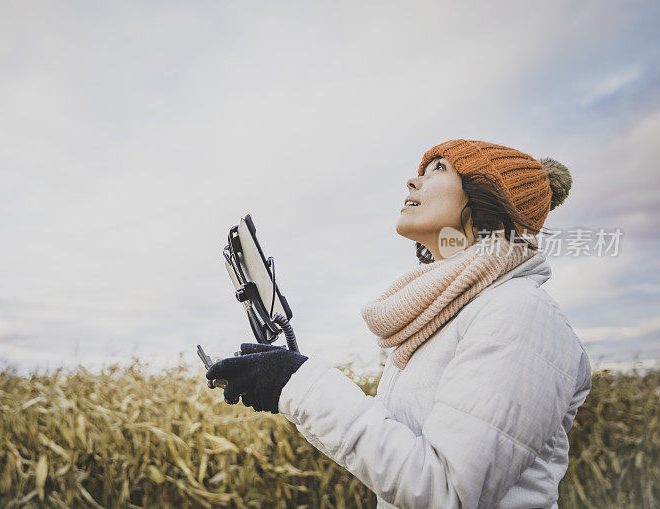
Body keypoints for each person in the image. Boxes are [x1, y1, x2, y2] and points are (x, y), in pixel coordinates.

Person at [206, 139, 592, 509]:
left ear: (486, 198)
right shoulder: (441, 316)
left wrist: (300, 382)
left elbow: (446, 493)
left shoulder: (520, 314)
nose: (412, 180)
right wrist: (286, 383)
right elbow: (396, 455)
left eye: (438, 168)